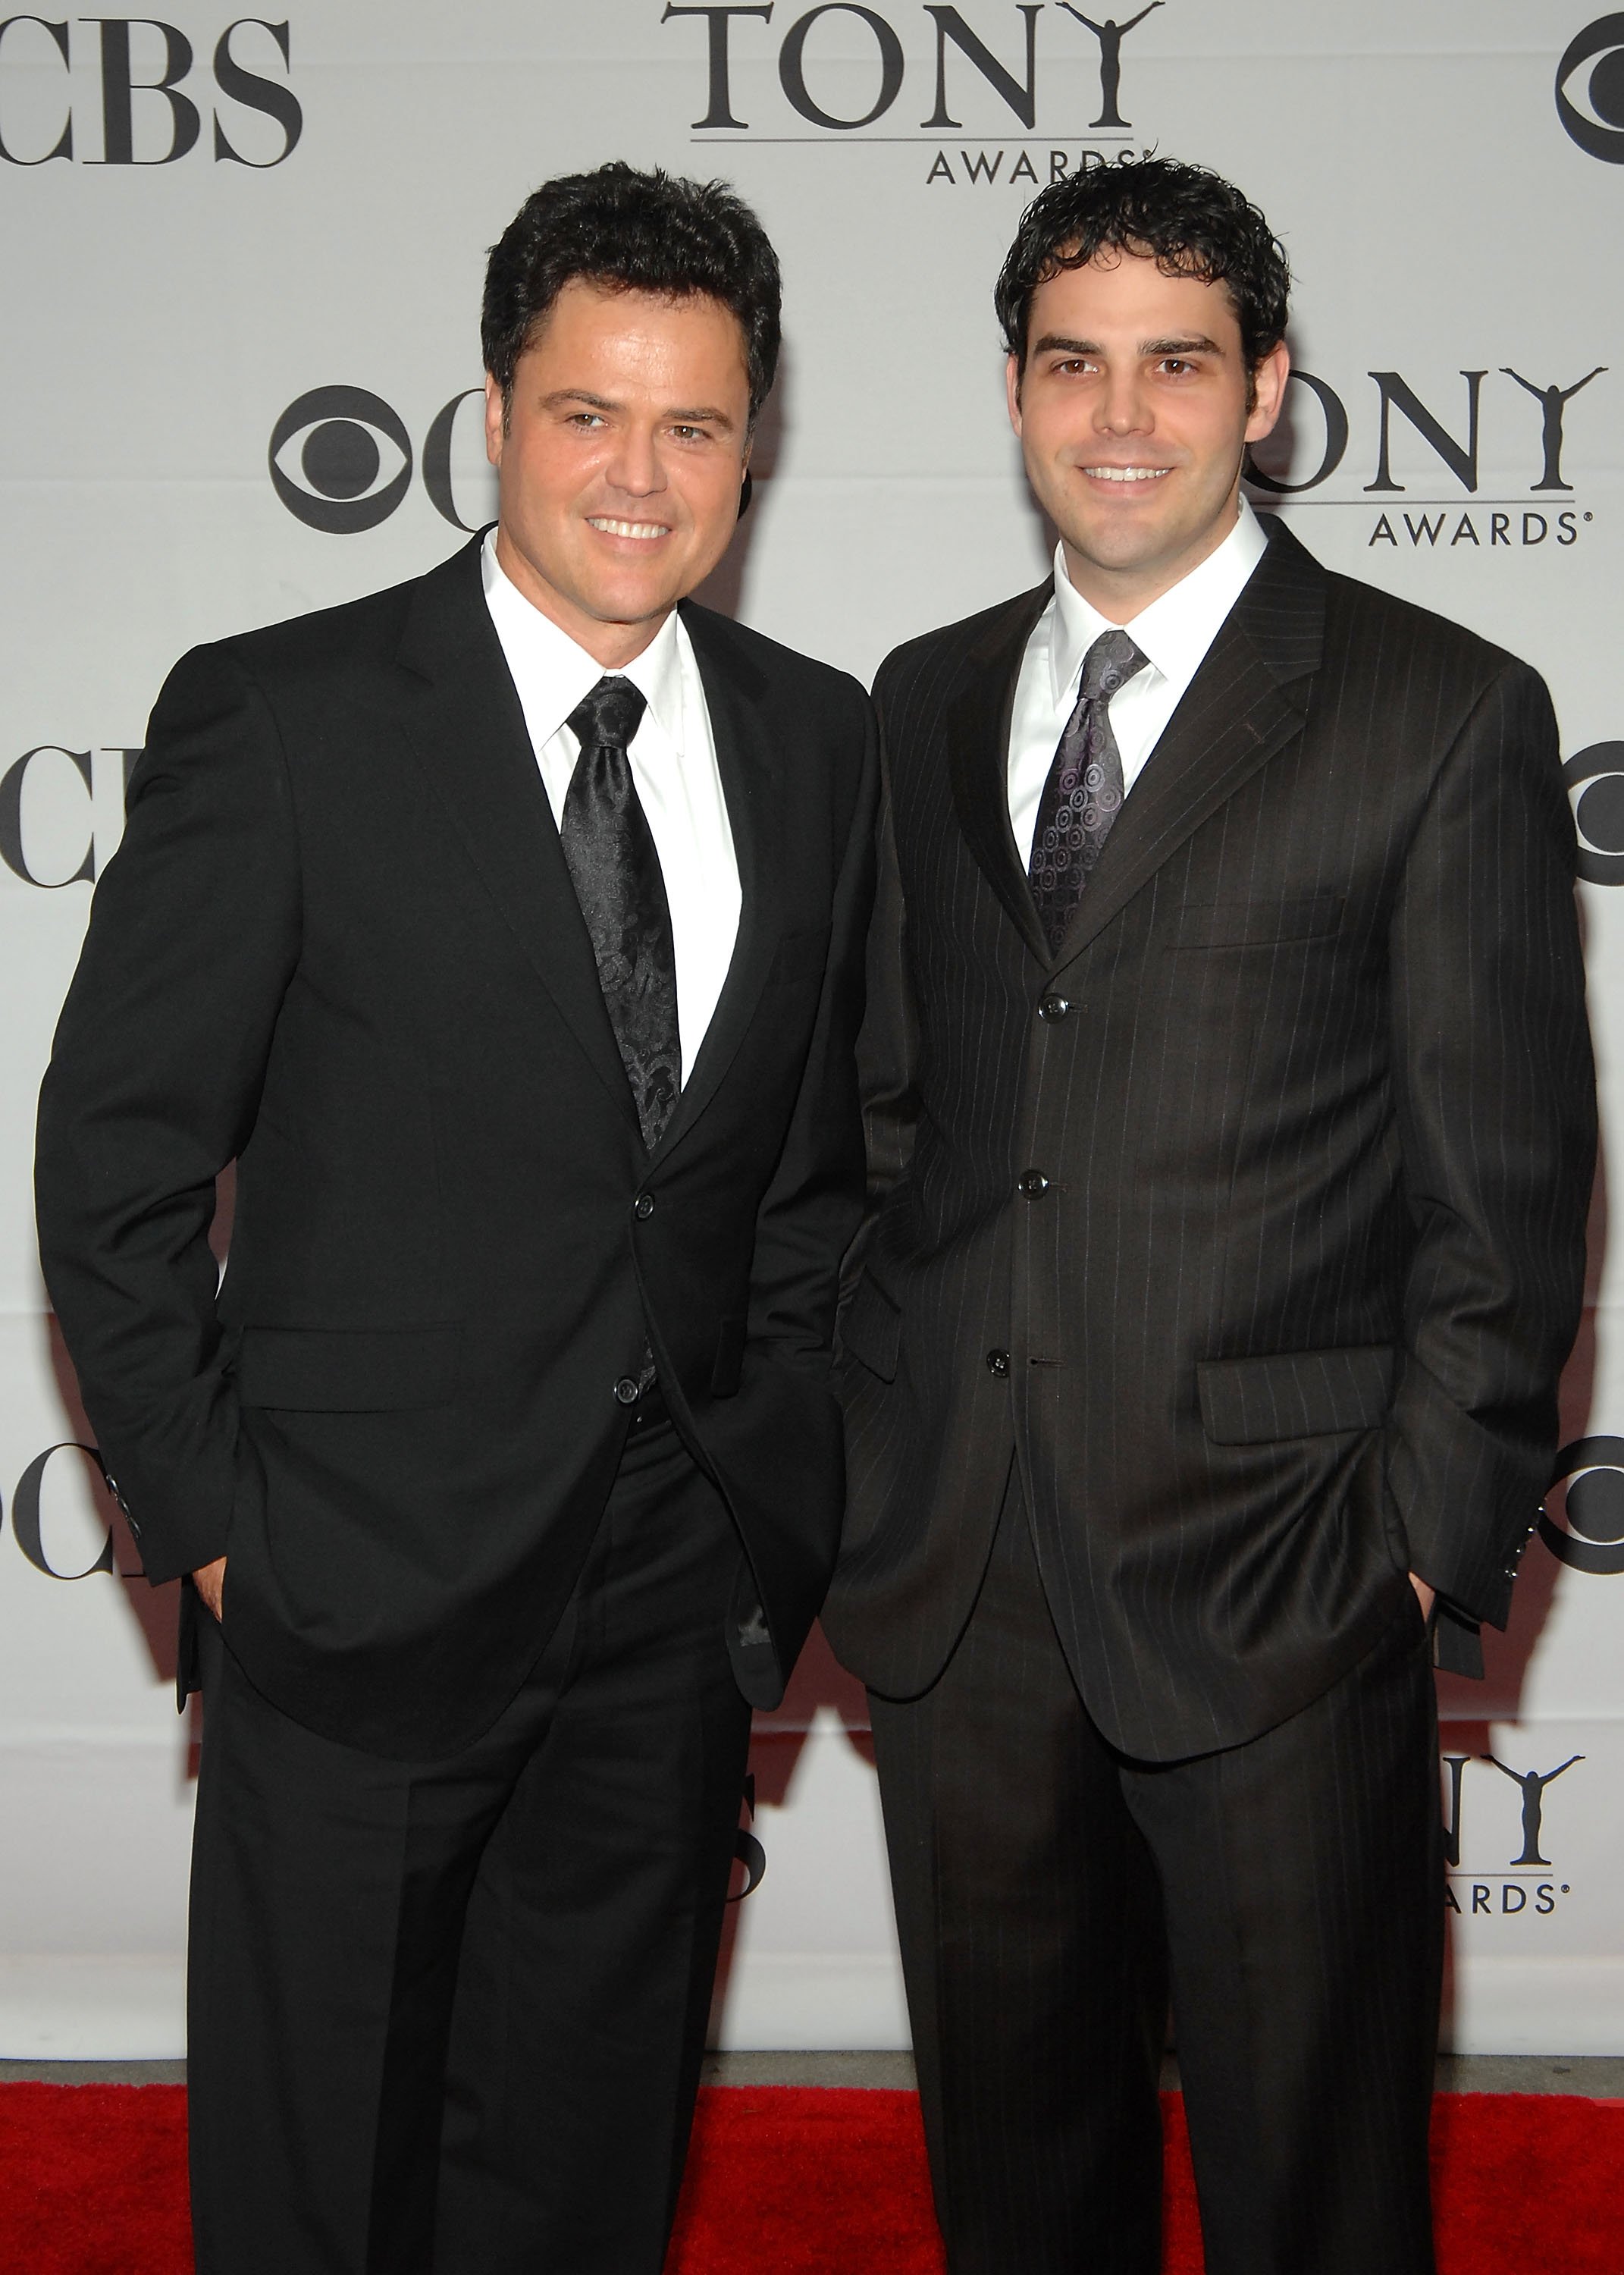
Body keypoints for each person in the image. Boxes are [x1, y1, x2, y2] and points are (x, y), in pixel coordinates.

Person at [36, 161, 876, 2275]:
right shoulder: (288, 715)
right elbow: (112, 1161)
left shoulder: (821, 743)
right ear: (493, 413)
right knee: (324, 2193)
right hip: (350, 1594)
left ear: (750, 446)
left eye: (694, 425)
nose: (638, 472)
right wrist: (226, 1532)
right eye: (589, 412)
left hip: (667, 1601)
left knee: (582, 2181)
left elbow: (806, 1175)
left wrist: (766, 1494)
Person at [824, 158, 1594, 2275]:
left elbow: (1508, 1192)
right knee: (1018, 2182)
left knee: (1312, 2189)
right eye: (1075, 363)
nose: (1123, 415)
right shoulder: (920, 698)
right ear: (1012, 390)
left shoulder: (1439, 712)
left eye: (1180, 364)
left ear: (1267, 390)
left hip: (1285, 1578)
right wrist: (877, 1454)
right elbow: (890, 1119)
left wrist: (1415, 1561)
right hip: (963, 1586)